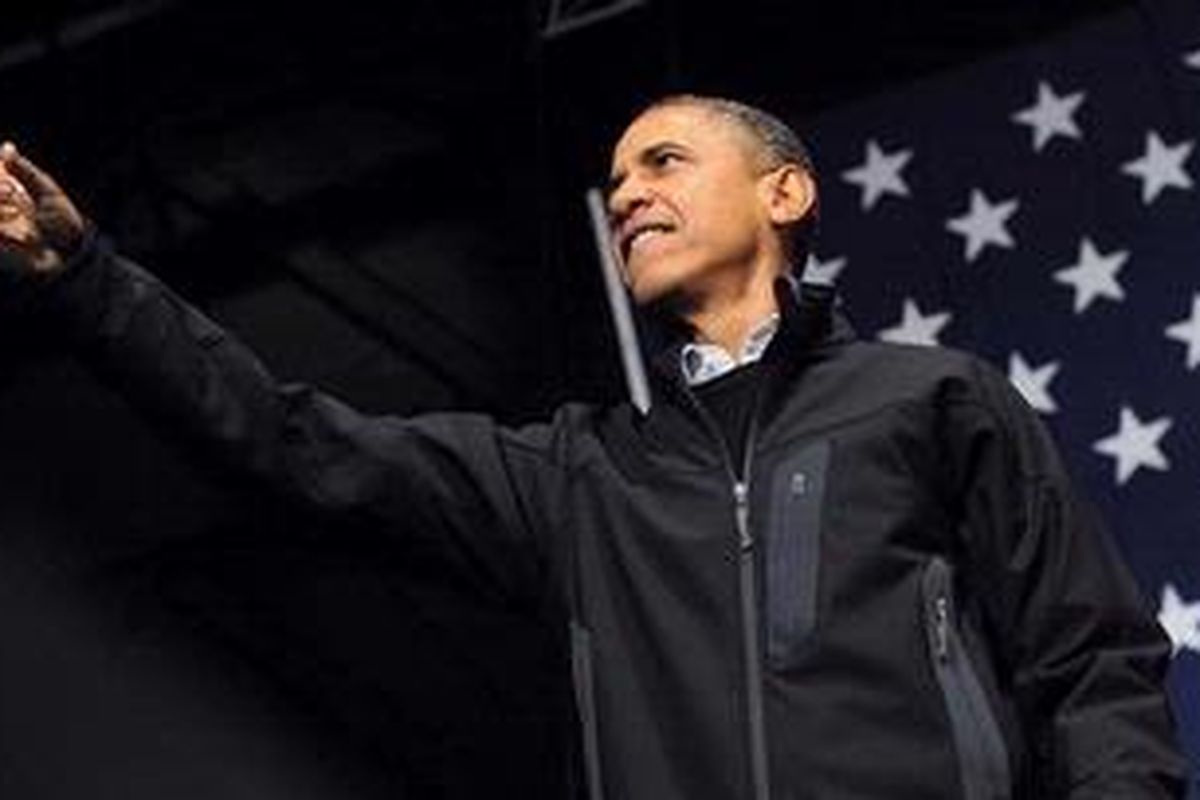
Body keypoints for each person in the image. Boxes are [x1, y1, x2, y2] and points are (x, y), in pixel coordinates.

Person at [0, 95, 1189, 799]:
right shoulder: (581, 477)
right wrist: (87, 279)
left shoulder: (933, 401)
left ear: (784, 193)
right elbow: (290, 441)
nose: (625, 194)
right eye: (615, 180)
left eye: (663, 162)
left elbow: (1090, 665)